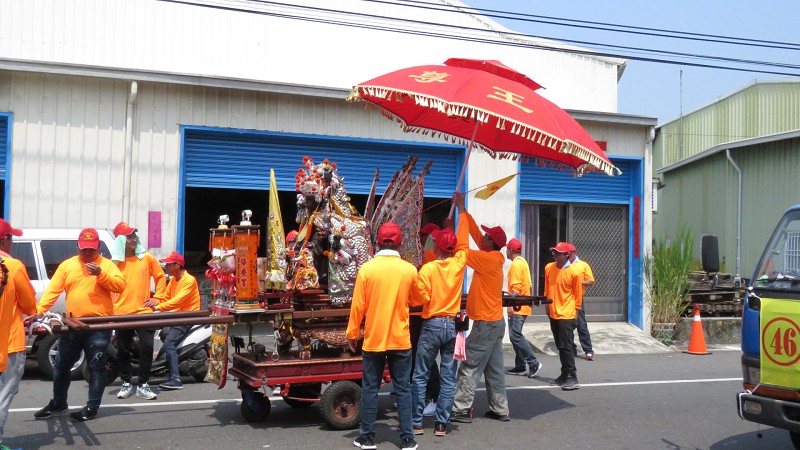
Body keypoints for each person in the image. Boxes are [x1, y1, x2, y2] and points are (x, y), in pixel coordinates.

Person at [34, 228, 127, 422]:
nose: (87, 253)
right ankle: (59, 404)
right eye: (84, 249)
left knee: (97, 367)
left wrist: (100, 274)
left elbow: (120, 286)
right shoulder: (68, 265)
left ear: (98, 247)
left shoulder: (107, 265)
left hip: (98, 326)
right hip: (72, 323)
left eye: (91, 249)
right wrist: (40, 310)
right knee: (61, 365)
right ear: (77, 246)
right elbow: (53, 290)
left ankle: (92, 407)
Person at [346, 222, 418, 450]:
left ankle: (367, 437)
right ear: (400, 243)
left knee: (370, 388)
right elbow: (418, 299)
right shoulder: (409, 270)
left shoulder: (367, 269)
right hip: (400, 338)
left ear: (376, 242)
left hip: (374, 338)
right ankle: (408, 439)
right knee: (403, 388)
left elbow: (357, 305)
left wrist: (352, 333)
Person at [451, 192, 510, 423]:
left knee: (469, 365)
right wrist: (462, 211)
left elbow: (462, 250)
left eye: (485, 236)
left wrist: (458, 224)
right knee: (494, 370)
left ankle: (461, 408)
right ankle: (500, 408)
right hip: (495, 322)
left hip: (486, 324)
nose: (481, 237)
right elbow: (475, 236)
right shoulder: (492, 256)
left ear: (491, 243)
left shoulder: (488, 259)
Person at [409, 213, 468, 438]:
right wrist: (455, 221)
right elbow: (463, 244)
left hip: (432, 323)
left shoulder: (428, 269)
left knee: (420, 374)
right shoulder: (459, 263)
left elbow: (419, 299)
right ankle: (442, 424)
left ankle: (416, 423)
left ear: (436, 247)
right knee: (448, 377)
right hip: (452, 326)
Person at [111, 222, 167, 401]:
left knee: (147, 348)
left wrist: (158, 298)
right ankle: (126, 382)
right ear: (120, 241)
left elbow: (160, 277)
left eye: (134, 235)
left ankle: (143, 384)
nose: (133, 239)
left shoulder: (147, 258)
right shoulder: (114, 263)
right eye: (128, 237)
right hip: (122, 312)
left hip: (144, 312)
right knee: (123, 350)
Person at [0, 219, 37, 450]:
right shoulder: (12, 266)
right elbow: (29, 303)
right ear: (4, 240)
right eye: (11, 237)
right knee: (3, 395)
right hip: (8, 344)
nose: (12, 242)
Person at [144, 252, 200, 390]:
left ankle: (175, 378)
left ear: (177, 265)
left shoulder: (189, 280)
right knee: (164, 334)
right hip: (176, 316)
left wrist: (157, 307)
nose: (166, 266)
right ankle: (171, 363)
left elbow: (176, 301)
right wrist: (154, 301)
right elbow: (166, 298)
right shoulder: (174, 279)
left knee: (169, 343)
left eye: (169, 264)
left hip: (186, 317)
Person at [406, 222, 441, 417]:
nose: (420, 239)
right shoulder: (424, 257)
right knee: (416, 358)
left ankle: (433, 396)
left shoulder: (428, 258)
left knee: (423, 358)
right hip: (416, 314)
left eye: (424, 236)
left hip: (422, 314)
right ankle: (420, 395)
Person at [544, 242, 583, 391]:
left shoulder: (573, 272)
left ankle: (572, 377)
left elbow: (578, 295)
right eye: (553, 252)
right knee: (560, 346)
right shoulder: (549, 268)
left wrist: (576, 313)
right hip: (553, 313)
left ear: (566, 255)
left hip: (567, 314)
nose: (554, 255)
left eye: (558, 253)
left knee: (566, 346)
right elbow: (547, 288)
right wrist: (547, 305)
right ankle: (564, 374)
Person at [504, 238, 543, 378]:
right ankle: (520, 366)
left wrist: (510, 306)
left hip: (518, 305)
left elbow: (515, 289)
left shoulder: (515, 265)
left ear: (511, 250)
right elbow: (528, 285)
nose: (505, 251)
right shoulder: (523, 262)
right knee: (515, 335)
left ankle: (533, 363)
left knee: (515, 335)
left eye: (507, 248)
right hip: (523, 304)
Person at [566, 243, 596, 361]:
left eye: (569, 253)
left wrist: (579, 283)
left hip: (577, 298)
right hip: (566, 298)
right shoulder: (564, 266)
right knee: (568, 325)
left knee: (581, 324)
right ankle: (571, 348)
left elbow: (591, 280)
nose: (568, 255)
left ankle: (588, 350)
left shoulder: (583, 265)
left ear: (574, 252)